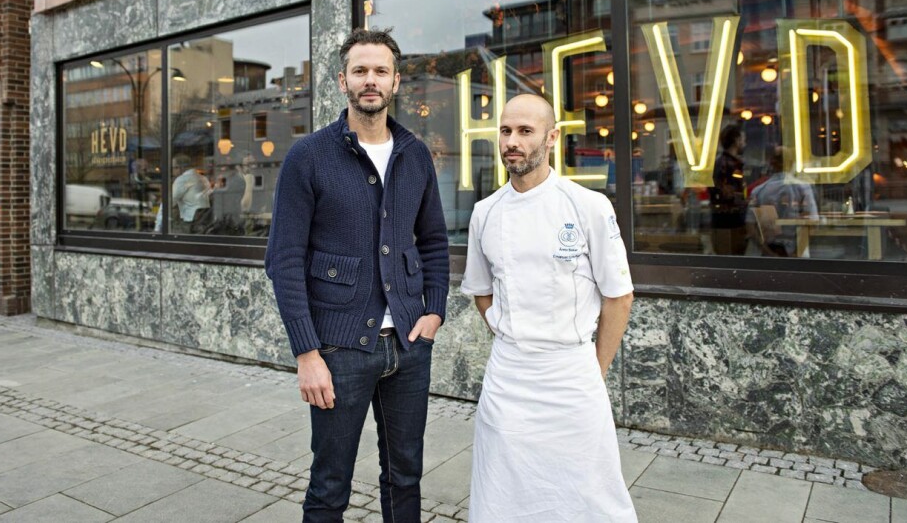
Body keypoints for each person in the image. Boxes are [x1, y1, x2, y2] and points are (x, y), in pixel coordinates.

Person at [264, 27, 449, 522]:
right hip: (338, 349)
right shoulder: (310, 156)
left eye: (381, 71)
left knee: (406, 476)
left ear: (395, 82)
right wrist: (307, 353)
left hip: (409, 344)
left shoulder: (415, 155)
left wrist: (433, 312)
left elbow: (432, 241)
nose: (371, 80)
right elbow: (283, 260)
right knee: (329, 486)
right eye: (361, 70)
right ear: (342, 79)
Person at [461, 93, 637, 522]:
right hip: (508, 377)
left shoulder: (588, 206)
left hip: (571, 375)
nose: (512, 141)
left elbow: (619, 295)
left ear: (552, 137)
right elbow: (481, 291)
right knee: (503, 494)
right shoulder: (485, 214)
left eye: (525, 131)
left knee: (590, 496)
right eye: (505, 131)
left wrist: (592, 370)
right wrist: (511, 335)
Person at [746, 145, 819, 257]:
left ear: (771, 163)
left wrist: (768, 253)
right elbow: (812, 222)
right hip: (797, 251)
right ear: (792, 162)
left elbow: (750, 227)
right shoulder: (803, 187)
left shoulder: (758, 191)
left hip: (770, 253)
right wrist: (796, 254)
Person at [710, 124, 748, 255]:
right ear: (737, 140)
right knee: (730, 259)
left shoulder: (727, 163)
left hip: (729, 220)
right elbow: (726, 192)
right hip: (728, 221)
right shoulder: (727, 165)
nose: (744, 143)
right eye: (743, 139)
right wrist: (744, 201)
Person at [171, 154, 213, 234]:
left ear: (180, 168)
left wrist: (157, 227)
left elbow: (169, 204)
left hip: (189, 223)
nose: (172, 171)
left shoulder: (181, 179)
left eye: (173, 168)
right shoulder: (203, 178)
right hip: (203, 222)